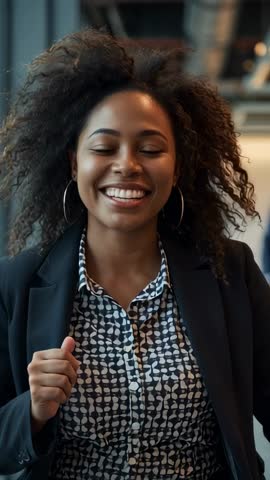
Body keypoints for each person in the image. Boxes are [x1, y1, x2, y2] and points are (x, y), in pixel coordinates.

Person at [0, 28, 269, 480]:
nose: (128, 164)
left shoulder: (230, 271)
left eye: (150, 149)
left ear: (177, 165)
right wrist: (32, 411)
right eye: (104, 148)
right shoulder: (19, 283)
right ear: (73, 162)